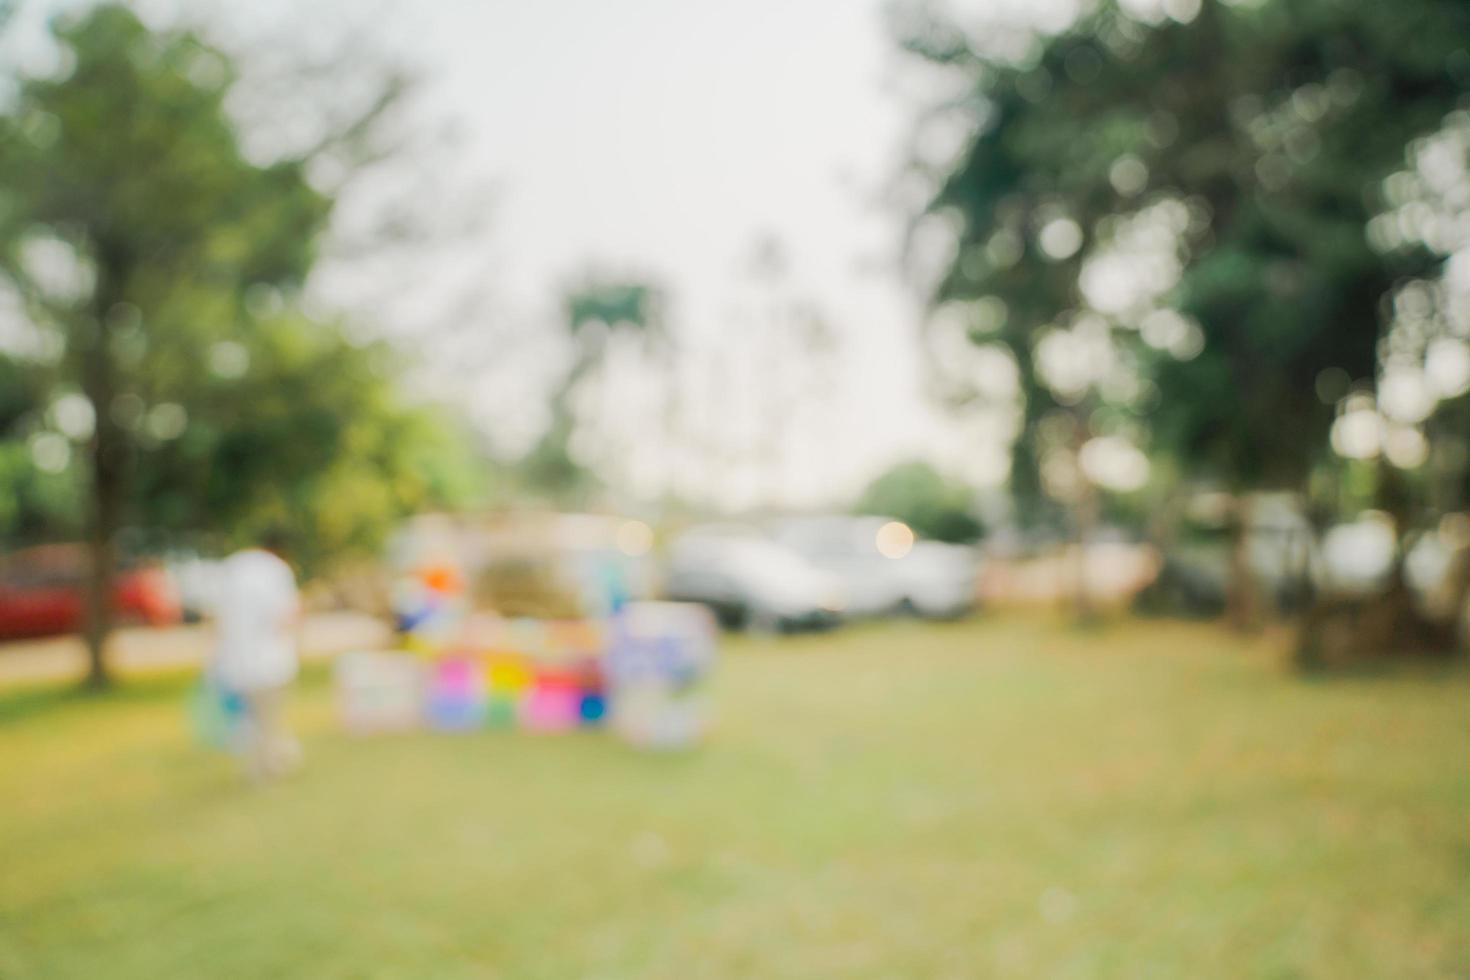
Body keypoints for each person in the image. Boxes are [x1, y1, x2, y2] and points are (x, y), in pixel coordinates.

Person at [210, 529, 302, 781]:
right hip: (270, 662)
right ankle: (268, 768)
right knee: (268, 721)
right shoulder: (276, 570)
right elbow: (286, 617)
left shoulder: (233, 567)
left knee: (249, 721)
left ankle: (263, 764)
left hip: (234, 662)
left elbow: (216, 617)